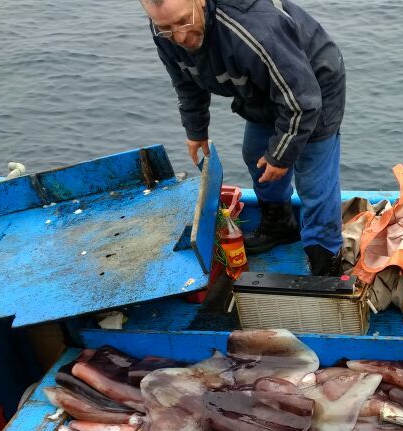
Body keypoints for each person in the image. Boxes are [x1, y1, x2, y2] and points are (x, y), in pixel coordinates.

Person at [141, 0, 346, 275]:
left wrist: (282, 155)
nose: (180, 37)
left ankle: (326, 259)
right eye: (166, 28)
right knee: (256, 153)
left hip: (311, 87)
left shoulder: (254, 29)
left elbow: (303, 102)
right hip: (260, 88)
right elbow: (185, 80)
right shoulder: (164, 31)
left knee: (313, 180)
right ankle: (280, 225)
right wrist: (196, 129)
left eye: (184, 22)